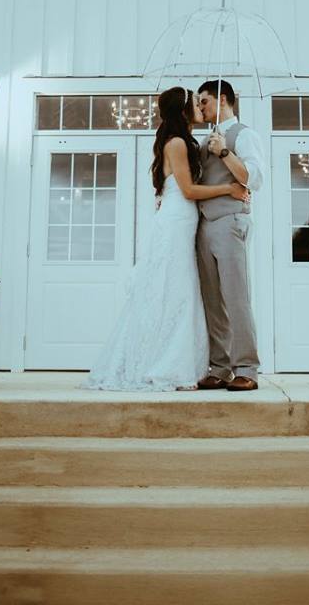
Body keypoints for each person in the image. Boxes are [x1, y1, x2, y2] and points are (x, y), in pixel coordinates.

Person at [83, 86, 248, 391]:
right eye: (195, 103)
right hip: (176, 223)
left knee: (181, 292)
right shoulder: (175, 144)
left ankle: (180, 359)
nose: (201, 106)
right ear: (184, 110)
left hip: (185, 222)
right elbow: (188, 191)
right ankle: (160, 362)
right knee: (172, 292)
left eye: (203, 101)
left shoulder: (187, 142)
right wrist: (228, 189)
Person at [196, 79, 265, 391]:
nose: (200, 107)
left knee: (235, 296)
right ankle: (220, 367)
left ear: (222, 99)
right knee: (212, 300)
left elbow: (253, 179)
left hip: (229, 220)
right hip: (203, 223)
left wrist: (224, 151)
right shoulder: (205, 139)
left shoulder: (243, 135)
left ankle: (247, 368)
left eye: (204, 101)